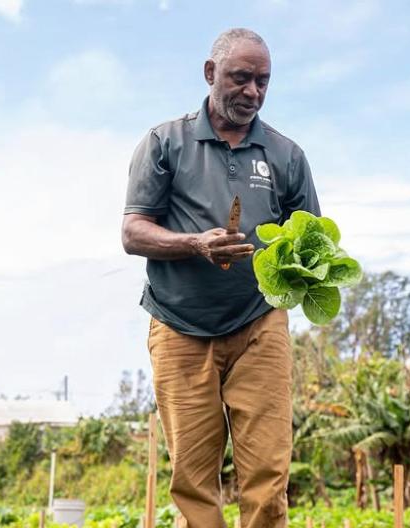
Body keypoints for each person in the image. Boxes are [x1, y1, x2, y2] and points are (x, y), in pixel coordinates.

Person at [122, 28, 321, 528]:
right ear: (210, 73)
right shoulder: (165, 142)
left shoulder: (286, 155)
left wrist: (301, 274)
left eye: (262, 81)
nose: (252, 91)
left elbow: (311, 240)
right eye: (240, 77)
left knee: (268, 479)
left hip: (259, 325)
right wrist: (195, 244)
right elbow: (133, 231)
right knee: (193, 481)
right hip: (179, 325)